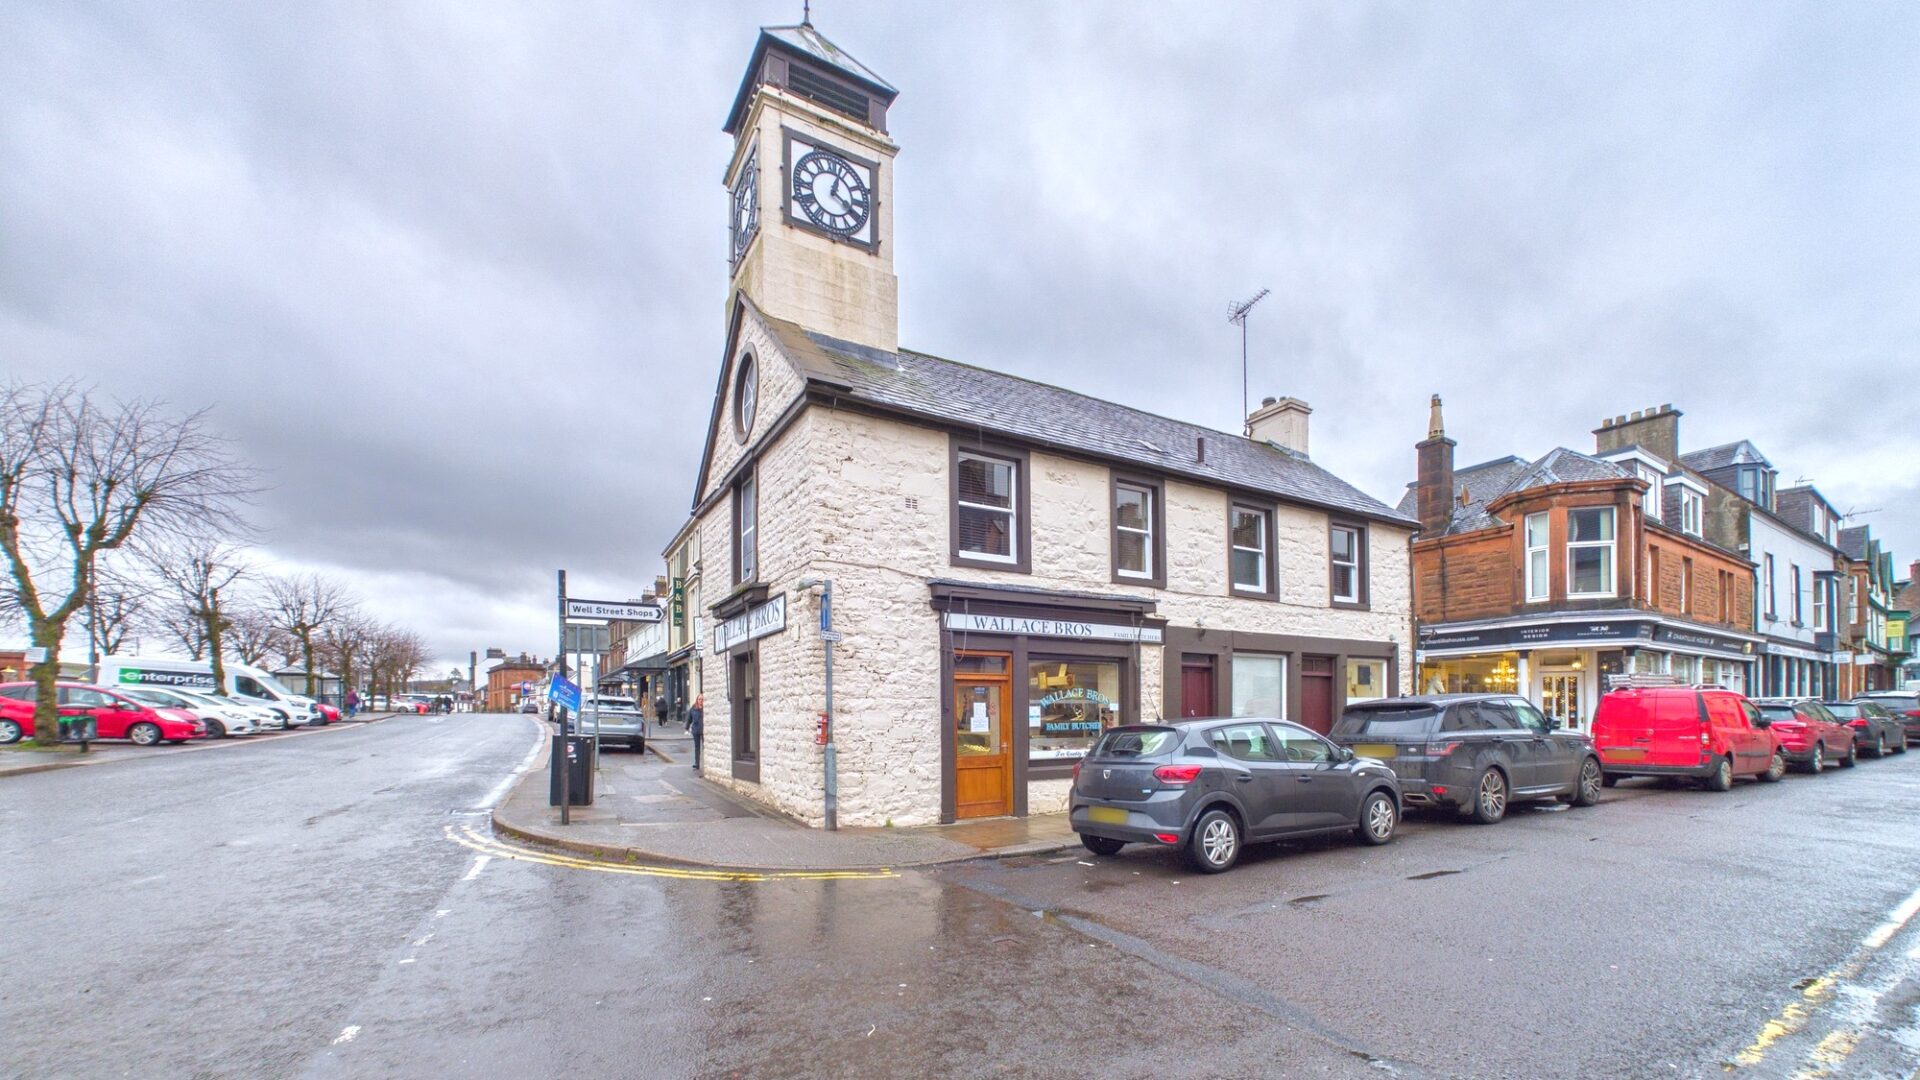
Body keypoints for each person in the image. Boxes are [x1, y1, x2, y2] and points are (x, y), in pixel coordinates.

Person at [687, 695, 703, 770]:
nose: (701, 701)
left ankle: (707, 763)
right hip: (696, 730)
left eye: (702, 699)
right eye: (699, 699)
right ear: (697, 700)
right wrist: (686, 728)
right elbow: (689, 718)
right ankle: (697, 763)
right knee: (697, 747)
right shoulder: (693, 708)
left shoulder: (706, 708)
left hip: (704, 730)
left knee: (705, 747)